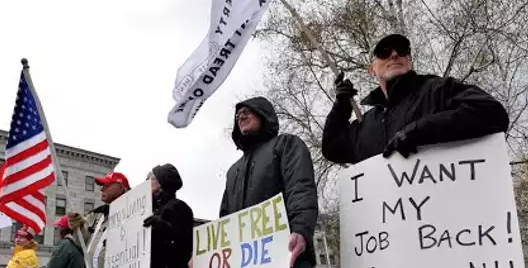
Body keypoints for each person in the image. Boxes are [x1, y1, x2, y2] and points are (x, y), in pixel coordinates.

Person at [321, 33, 510, 164]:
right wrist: (341, 107)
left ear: (409, 60)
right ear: (372, 69)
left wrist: (421, 130)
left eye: (402, 50)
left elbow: (492, 113)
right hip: (390, 219)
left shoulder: (437, 90)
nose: (394, 54)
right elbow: (332, 148)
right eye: (385, 52)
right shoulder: (367, 123)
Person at [219, 96, 319, 268]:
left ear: (263, 114)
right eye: (237, 116)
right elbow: (225, 219)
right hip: (245, 260)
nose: (241, 117)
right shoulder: (232, 172)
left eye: (246, 112)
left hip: (287, 254)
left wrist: (301, 230)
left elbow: (300, 187)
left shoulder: (285, 144)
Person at [143, 163, 195, 268]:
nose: (145, 183)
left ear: (161, 183)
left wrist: (161, 225)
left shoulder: (178, 207)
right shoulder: (149, 210)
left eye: (149, 179)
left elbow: (184, 239)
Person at [85, 171, 131, 268]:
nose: (102, 189)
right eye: (102, 185)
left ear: (120, 188)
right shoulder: (98, 215)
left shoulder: (132, 214)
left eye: (107, 185)